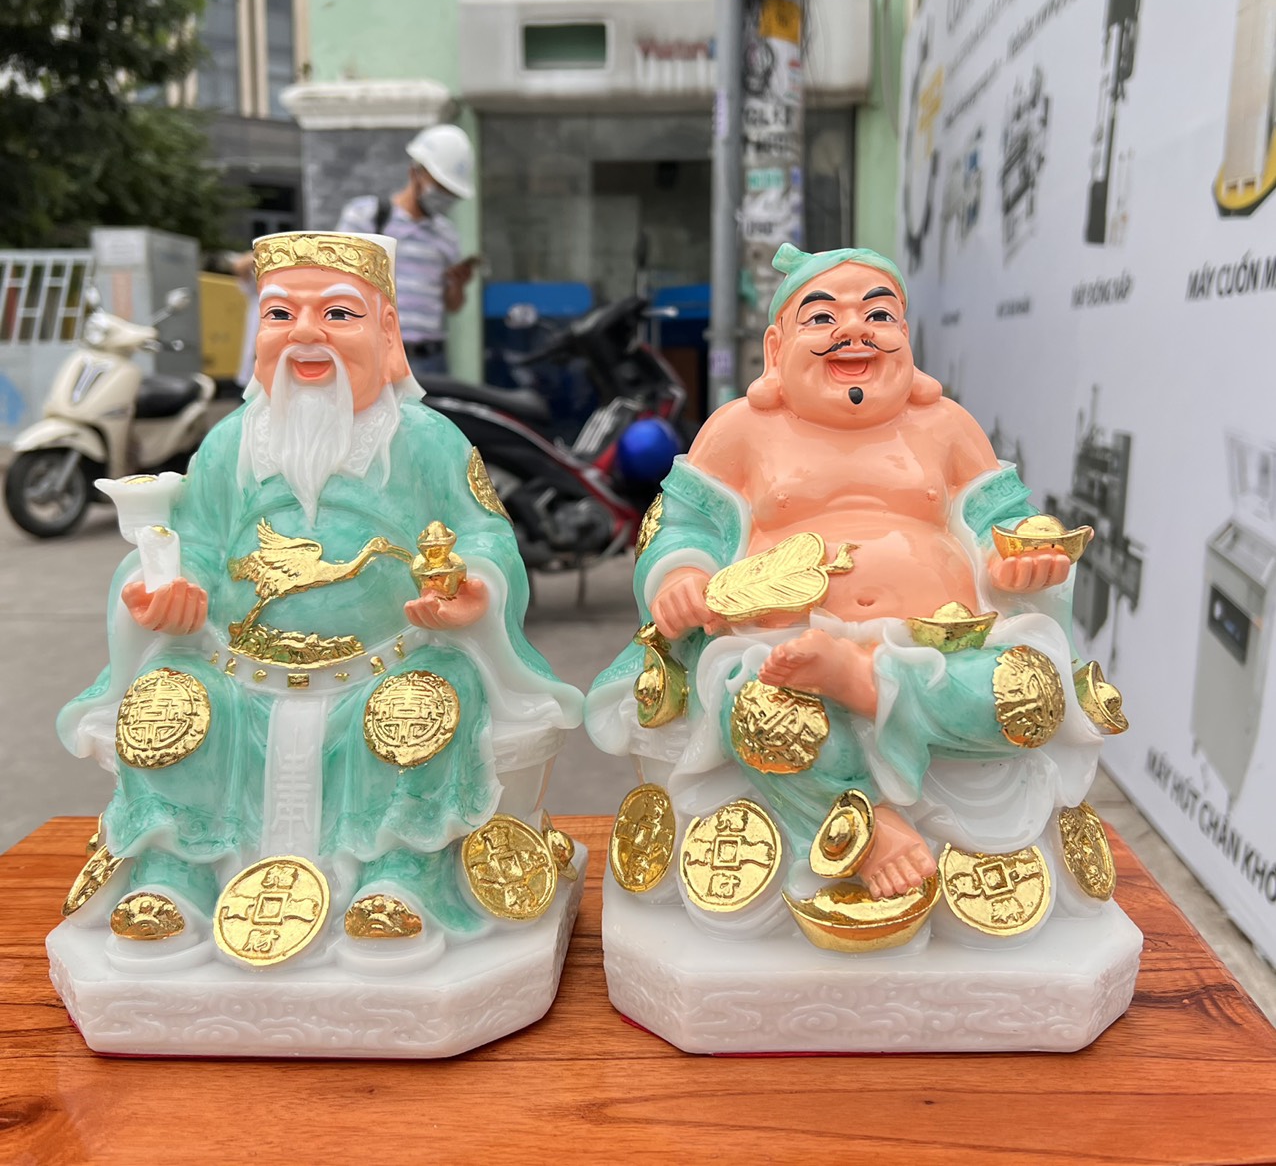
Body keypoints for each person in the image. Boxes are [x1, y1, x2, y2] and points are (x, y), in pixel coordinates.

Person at [58, 230, 581, 967]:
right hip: (239, 666)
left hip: (391, 658)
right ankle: (178, 873)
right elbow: (196, 540)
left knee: (424, 705)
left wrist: (472, 586)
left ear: (387, 331)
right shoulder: (229, 443)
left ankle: (402, 875)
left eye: (338, 314)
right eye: (280, 314)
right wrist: (167, 586)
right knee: (167, 699)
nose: (306, 333)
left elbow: (484, 535)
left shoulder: (428, 440)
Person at [586, 243, 1114, 938]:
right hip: (784, 642)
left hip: (947, 643)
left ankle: (870, 683)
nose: (854, 331)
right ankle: (866, 824)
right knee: (759, 703)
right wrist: (682, 575)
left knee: (1031, 693)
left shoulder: (946, 427)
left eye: (879, 315)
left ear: (908, 342)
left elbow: (1005, 520)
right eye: (822, 317)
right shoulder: (740, 430)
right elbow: (683, 524)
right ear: (775, 349)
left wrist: (1022, 558)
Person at [336, 123, 479, 377]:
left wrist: (458, 285)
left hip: (430, 360)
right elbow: (336, 284)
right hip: (376, 355)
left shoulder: (447, 234)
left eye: (451, 193)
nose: (444, 196)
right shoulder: (365, 217)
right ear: (415, 172)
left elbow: (452, 305)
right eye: (440, 187)